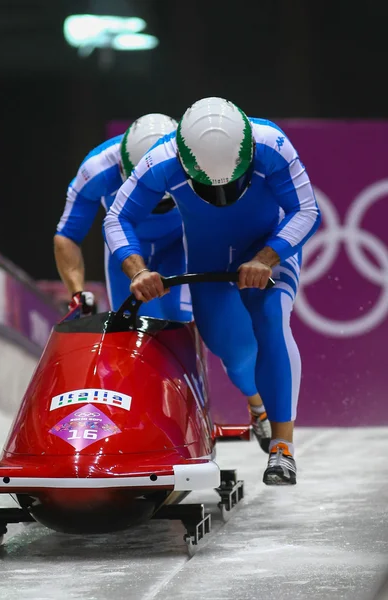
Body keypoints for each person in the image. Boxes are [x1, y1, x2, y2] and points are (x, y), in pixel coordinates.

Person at [104, 97, 321, 485]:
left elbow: (306, 210)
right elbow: (118, 217)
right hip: (210, 259)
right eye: (207, 187)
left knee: (270, 317)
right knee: (232, 353)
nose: (221, 195)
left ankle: (282, 448)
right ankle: (257, 407)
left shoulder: (272, 144)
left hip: (268, 249)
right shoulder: (161, 160)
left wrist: (267, 258)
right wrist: (137, 270)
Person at [54, 113, 192, 320]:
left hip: (178, 246)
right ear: (122, 170)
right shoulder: (96, 170)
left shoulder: (196, 161)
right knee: (133, 325)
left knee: (180, 319)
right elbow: (67, 236)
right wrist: (77, 293)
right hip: (125, 251)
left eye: (163, 202)